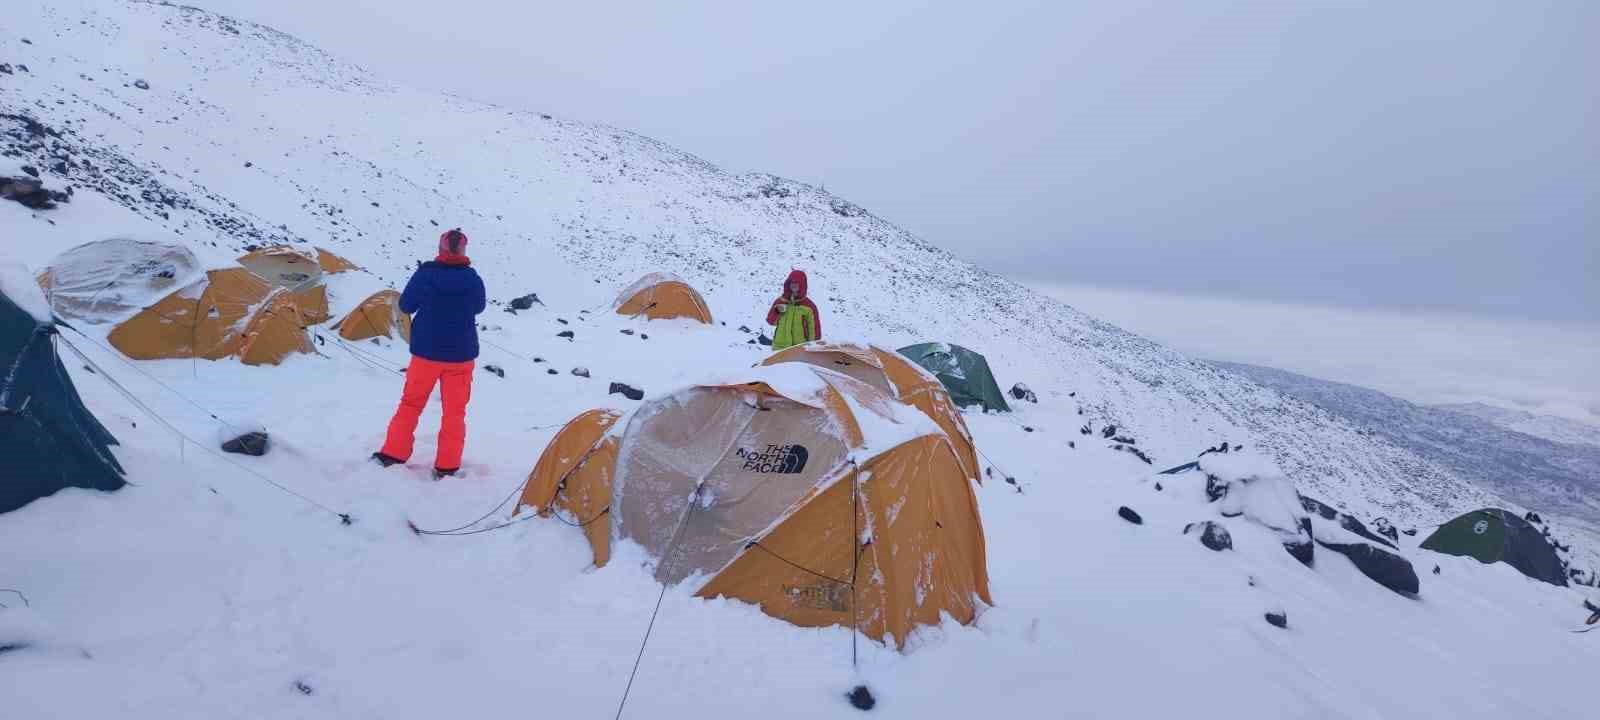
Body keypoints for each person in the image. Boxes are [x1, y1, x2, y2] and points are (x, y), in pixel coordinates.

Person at [371, 228, 486, 478]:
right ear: (464, 249)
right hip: (461, 355)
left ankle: (393, 453)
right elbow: (478, 307)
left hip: (426, 353)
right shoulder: (472, 278)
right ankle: (447, 466)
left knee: (411, 404)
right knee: (454, 412)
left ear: (440, 248)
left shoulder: (426, 274)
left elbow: (406, 305)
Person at [765, 268, 821, 350]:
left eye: (796, 282)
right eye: (791, 282)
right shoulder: (780, 301)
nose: (793, 284)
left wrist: (813, 348)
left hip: (799, 349)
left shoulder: (810, 306)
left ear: (802, 284)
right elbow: (770, 321)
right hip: (779, 347)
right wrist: (777, 311)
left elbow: (815, 331)